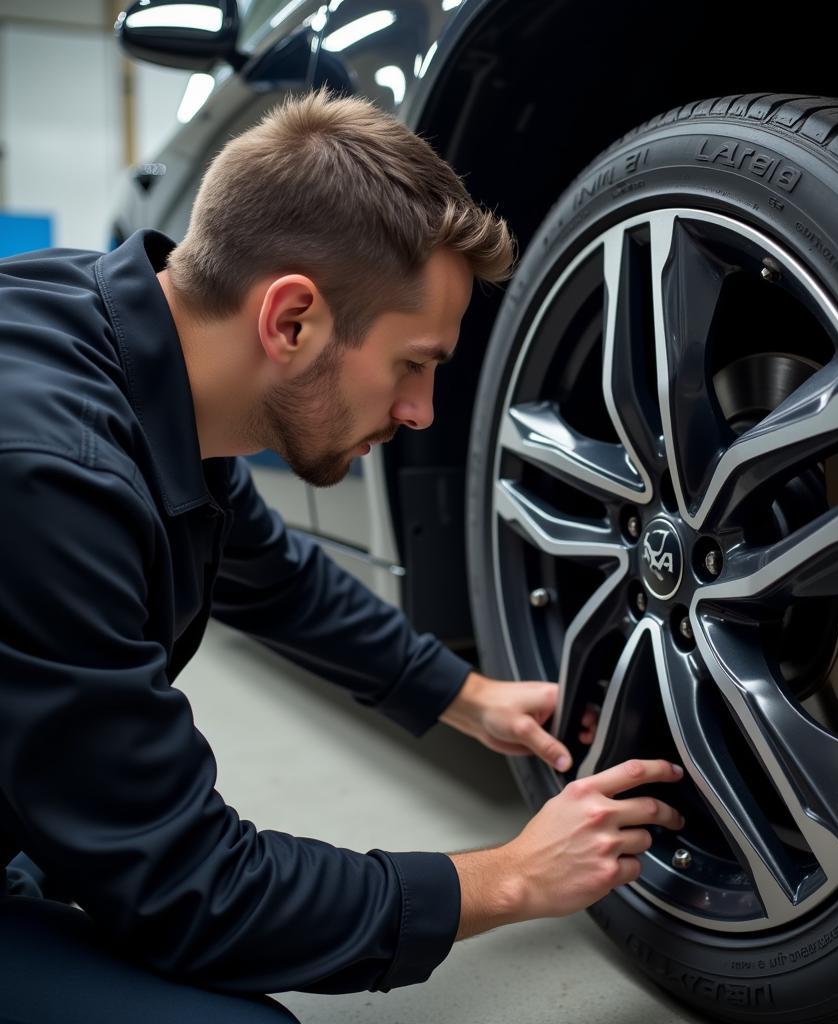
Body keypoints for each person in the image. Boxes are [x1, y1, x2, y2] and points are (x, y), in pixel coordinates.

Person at [0, 90, 685, 1022]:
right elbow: (195, 890)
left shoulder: (115, 334)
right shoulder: (52, 479)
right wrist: (510, 878)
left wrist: (469, 697)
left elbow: (274, 578)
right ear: (291, 320)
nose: (422, 414)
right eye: (413, 363)